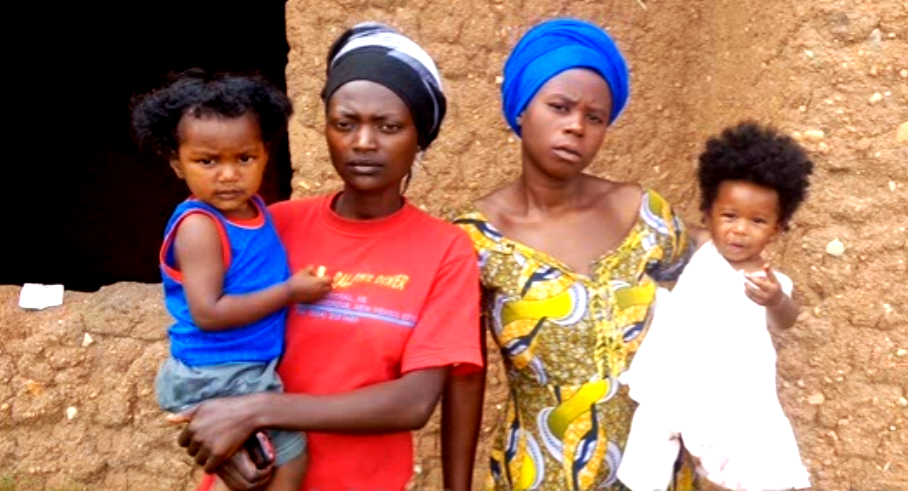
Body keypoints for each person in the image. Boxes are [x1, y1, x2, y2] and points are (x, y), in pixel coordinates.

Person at [167, 23, 484, 491]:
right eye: (345, 123)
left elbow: (413, 403)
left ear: (420, 137)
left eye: (389, 126)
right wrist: (218, 443)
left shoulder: (445, 251)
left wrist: (255, 410)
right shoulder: (271, 225)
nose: (362, 142)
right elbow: (203, 343)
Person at [452, 17, 704, 490]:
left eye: (595, 117)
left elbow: (712, 280)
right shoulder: (477, 239)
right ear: (523, 107)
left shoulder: (642, 213)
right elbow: (465, 377)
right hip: (541, 471)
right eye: (560, 107)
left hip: (654, 468)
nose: (575, 127)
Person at [132, 70, 333, 491]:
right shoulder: (200, 227)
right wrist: (290, 292)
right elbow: (208, 312)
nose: (228, 174)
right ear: (177, 164)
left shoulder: (254, 210)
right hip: (219, 371)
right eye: (207, 161)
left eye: (244, 158)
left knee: (251, 469)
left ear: (264, 155)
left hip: (236, 368)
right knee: (291, 454)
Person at [618, 122, 814, 491]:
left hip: (732, 397)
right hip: (674, 379)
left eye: (758, 221)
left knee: (762, 467)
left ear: (777, 228)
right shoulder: (705, 248)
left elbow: (787, 319)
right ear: (708, 214)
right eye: (729, 216)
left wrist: (774, 299)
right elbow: (660, 228)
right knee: (648, 441)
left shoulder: (767, 280)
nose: (740, 229)